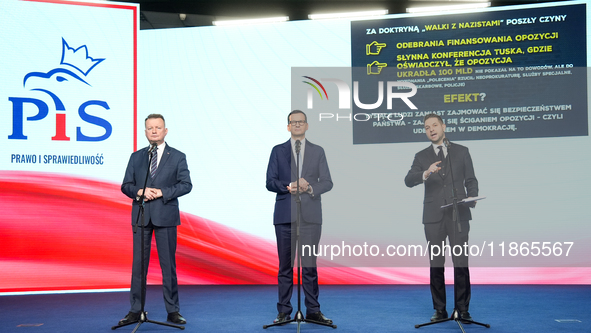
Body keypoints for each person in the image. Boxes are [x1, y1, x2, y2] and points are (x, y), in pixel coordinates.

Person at [118, 114, 192, 326]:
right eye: (150, 128)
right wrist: (139, 191)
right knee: (138, 266)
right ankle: (135, 310)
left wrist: (161, 192)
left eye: (157, 127)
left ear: (165, 131)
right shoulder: (136, 157)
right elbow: (126, 185)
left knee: (168, 266)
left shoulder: (177, 156)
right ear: (145, 132)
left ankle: (173, 311)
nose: (153, 131)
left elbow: (186, 185)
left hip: (166, 216)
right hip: (141, 216)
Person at [404, 113, 478, 322]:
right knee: (436, 264)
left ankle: (462, 309)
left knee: (461, 263)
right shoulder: (421, 156)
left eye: (434, 125)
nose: (431, 130)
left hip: (458, 215)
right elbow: (408, 180)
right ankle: (440, 310)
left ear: (443, 126)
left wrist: (472, 196)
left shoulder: (462, 151)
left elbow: (471, 179)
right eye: (427, 127)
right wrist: (425, 173)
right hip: (433, 217)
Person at [266, 110, 333, 325]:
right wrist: (288, 187)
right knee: (285, 267)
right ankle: (284, 311)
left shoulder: (318, 151)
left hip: (310, 218)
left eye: (300, 122)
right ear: (288, 126)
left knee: (310, 267)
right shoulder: (278, 151)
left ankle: (313, 310)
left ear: (306, 125)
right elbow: (270, 181)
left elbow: (328, 182)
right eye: (292, 122)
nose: (296, 125)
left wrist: (310, 187)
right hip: (285, 216)